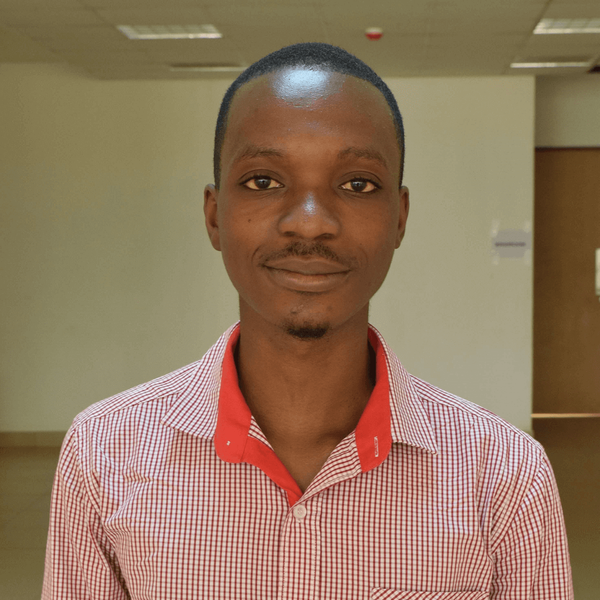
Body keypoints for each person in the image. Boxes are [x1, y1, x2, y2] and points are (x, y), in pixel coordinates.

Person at [43, 43, 573, 599]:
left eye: (358, 184)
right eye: (264, 181)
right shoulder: (104, 453)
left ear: (398, 218)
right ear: (215, 216)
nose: (310, 223)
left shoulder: (504, 475)